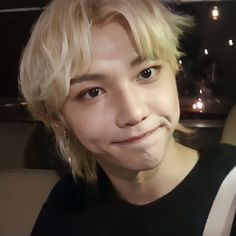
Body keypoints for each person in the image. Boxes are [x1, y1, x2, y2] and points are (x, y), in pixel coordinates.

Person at [19, 0, 236, 235]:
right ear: (57, 120)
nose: (134, 113)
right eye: (92, 92)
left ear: (174, 71)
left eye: (146, 73)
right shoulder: (64, 206)